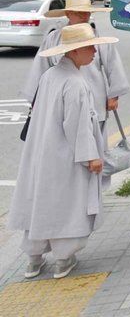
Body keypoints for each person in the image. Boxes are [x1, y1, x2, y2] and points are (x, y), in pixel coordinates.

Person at [9, 23, 115, 280]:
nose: (93, 52)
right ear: (75, 51)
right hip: (66, 156)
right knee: (66, 205)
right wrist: (91, 156)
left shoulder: (50, 76)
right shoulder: (75, 82)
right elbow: (77, 126)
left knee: (39, 201)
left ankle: (34, 259)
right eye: (89, 47)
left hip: (42, 152)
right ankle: (63, 258)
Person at [22, 0, 130, 163]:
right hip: (59, 99)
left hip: (94, 98)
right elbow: (41, 69)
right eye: (79, 13)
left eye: (86, 13)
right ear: (68, 14)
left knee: (94, 140)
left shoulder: (98, 38)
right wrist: (36, 101)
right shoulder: (54, 38)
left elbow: (113, 65)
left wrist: (113, 95)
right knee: (61, 143)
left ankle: (94, 172)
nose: (84, 16)